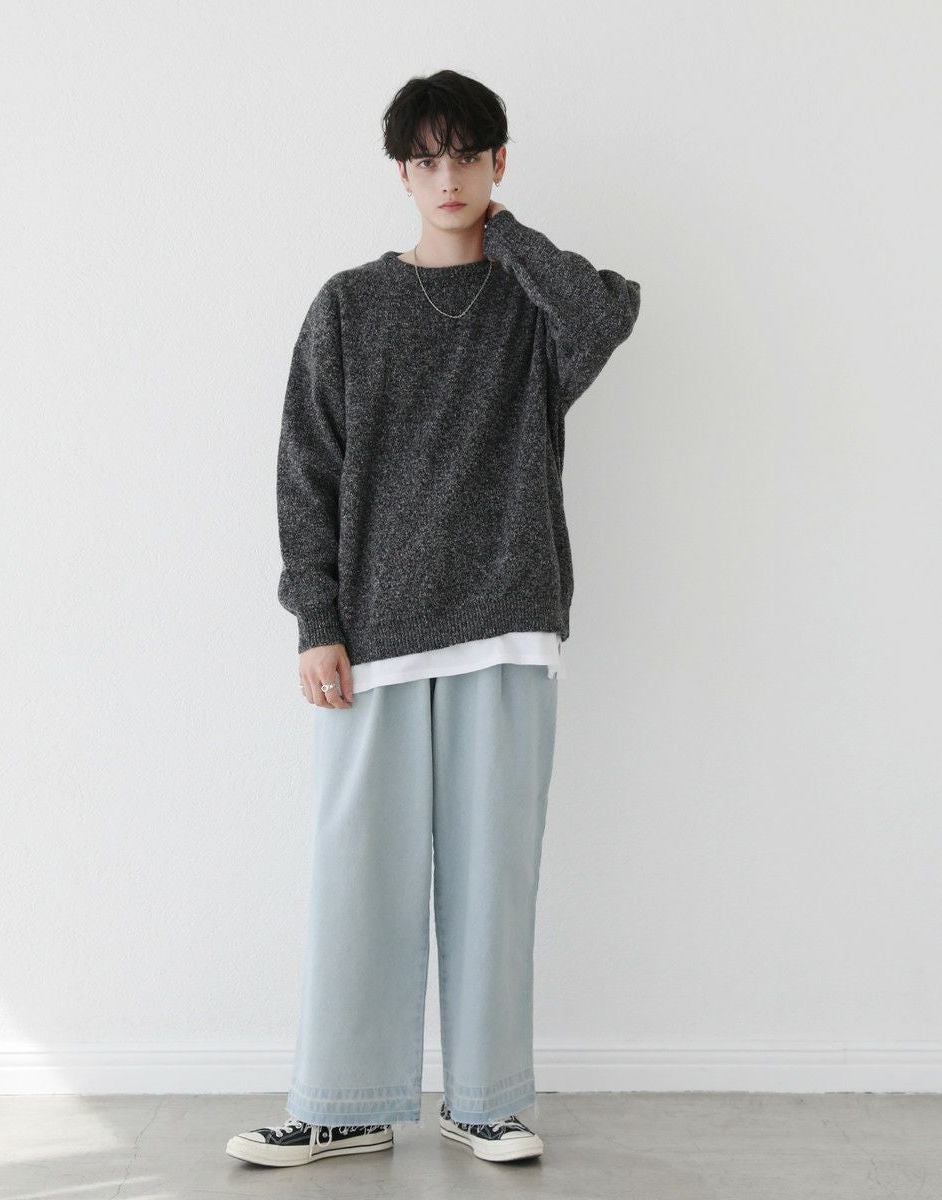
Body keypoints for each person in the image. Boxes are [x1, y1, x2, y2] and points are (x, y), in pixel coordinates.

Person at [226, 68, 640, 1170]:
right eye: (426, 159)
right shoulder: (348, 306)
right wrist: (315, 618)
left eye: (466, 156)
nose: (445, 177)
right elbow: (306, 471)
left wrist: (510, 237)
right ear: (400, 173)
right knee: (355, 870)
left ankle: (488, 1099)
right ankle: (341, 1101)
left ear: (498, 163)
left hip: (506, 614)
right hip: (372, 630)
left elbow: (608, 313)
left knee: (494, 872)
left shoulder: (533, 307)